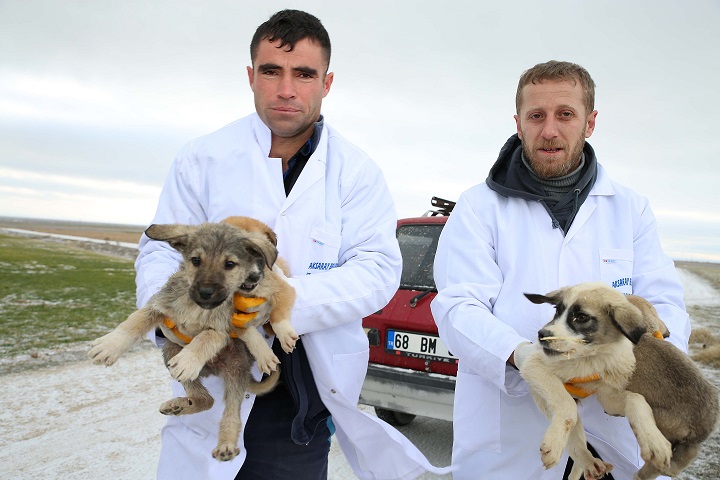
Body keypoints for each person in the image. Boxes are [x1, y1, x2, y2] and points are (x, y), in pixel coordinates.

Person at [135, 9, 449, 480]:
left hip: (298, 394)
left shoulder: (356, 173)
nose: (286, 89)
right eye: (271, 71)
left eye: (304, 73)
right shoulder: (202, 158)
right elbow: (160, 249)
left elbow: (378, 269)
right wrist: (172, 316)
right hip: (212, 377)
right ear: (250, 76)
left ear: (327, 82)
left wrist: (271, 307)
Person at [430, 60, 690, 479]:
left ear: (590, 122)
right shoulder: (479, 208)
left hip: (613, 425)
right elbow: (459, 306)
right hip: (511, 431)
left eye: (565, 114)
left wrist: (639, 361)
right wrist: (527, 359)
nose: (549, 130)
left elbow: (664, 303)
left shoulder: (630, 209)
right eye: (537, 116)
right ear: (518, 123)